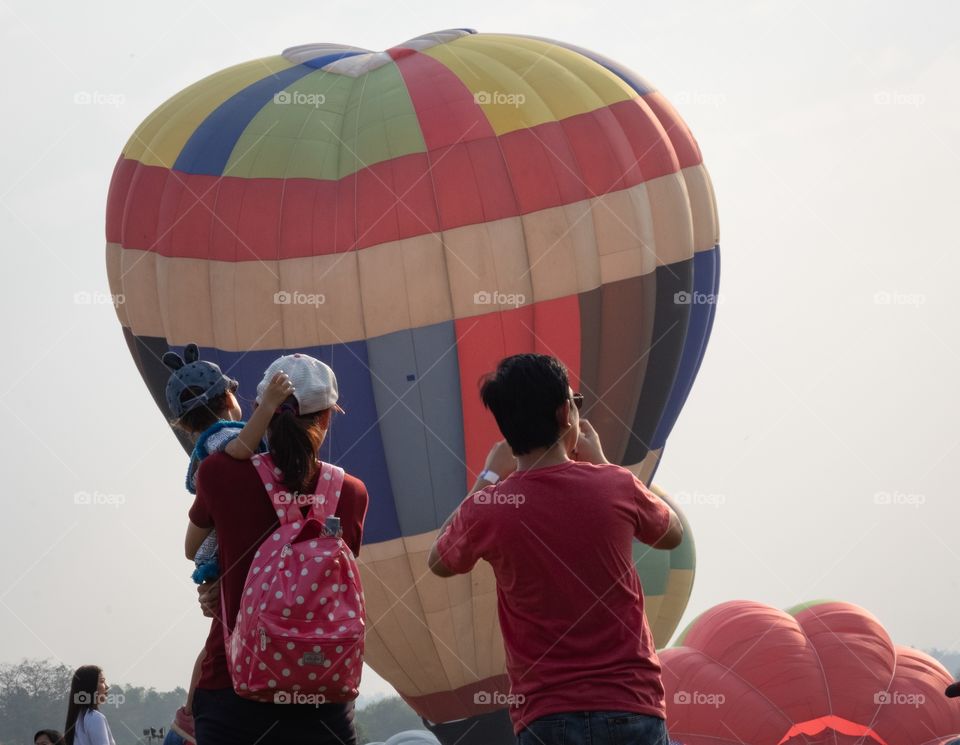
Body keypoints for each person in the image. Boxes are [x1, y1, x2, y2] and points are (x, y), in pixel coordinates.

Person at [428, 353, 683, 745]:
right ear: (566, 414)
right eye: (575, 403)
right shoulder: (615, 485)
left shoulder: (491, 508)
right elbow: (672, 533)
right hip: (632, 704)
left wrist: (489, 476)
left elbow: (440, 561)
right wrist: (601, 463)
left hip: (546, 716)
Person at [188, 353, 369, 745]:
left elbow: (197, 545)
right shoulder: (351, 493)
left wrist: (216, 587)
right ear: (326, 418)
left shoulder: (217, 474)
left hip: (234, 691)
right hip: (323, 697)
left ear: (260, 410)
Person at [162, 344, 294, 735]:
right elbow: (238, 450)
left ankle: (188, 717)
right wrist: (267, 406)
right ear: (229, 397)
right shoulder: (224, 441)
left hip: (218, 552)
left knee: (219, 637)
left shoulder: (210, 449)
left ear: (184, 424)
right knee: (221, 636)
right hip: (222, 551)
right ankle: (189, 716)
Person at [63, 666, 116, 745]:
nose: (107, 686)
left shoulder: (75, 719)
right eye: (102, 681)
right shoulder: (95, 717)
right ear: (90, 686)